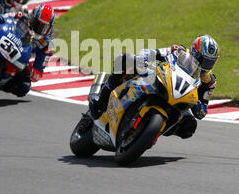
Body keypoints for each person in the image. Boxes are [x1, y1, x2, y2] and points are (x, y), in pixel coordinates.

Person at [89, 34, 220, 139]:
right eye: (203, 60)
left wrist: (198, 106)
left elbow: (203, 109)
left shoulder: (209, 82)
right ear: (194, 51)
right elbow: (154, 53)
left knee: (189, 126)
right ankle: (100, 101)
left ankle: (150, 131)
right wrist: (144, 59)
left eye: (210, 62)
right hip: (161, 80)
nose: (205, 65)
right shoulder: (178, 51)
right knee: (127, 59)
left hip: (181, 98)